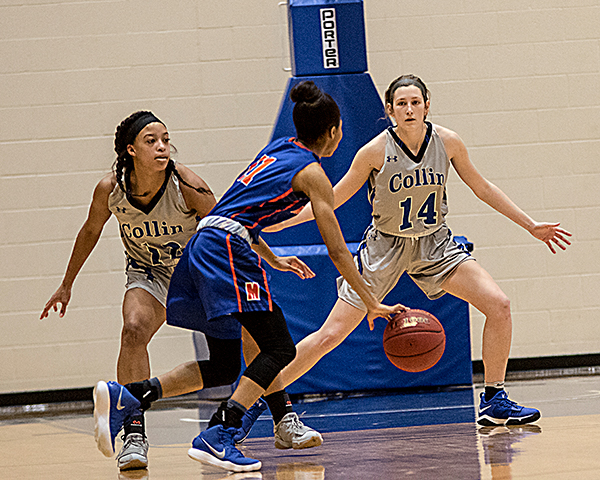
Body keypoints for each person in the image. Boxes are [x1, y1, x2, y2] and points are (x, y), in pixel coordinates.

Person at [93, 81, 404, 473]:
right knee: (279, 348)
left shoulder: (280, 149)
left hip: (207, 244)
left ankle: (130, 395)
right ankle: (221, 433)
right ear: (334, 131)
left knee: (225, 364)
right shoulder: (313, 173)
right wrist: (372, 302)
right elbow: (340, 251)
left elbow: (237, 209)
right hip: (226, 250)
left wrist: (272, 259)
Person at [258, 74, 572, 428]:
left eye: (415, 102)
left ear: (427, 105)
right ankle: (259, 396)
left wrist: (531, 225)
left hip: (434, 243)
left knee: (498, 304)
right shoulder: (374, 151)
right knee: (330, 335)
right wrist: (282, 222)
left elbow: (483, 187)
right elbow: (334, 198)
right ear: (389, 110)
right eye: (401, 104)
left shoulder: (449, 142)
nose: (409, 110)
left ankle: (494, 398)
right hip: (385, 248)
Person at [40, 111, 216, 470]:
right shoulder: (111, 188)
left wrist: (263, 264)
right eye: (152, 141)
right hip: (148, 273)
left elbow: (226, 226)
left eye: (165, 139)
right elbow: (90, 231)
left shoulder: (188, 185)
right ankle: (134, 432)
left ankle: (281, 415)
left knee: (241, 348)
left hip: (192, 276)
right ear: (131, 150)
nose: (162, 147)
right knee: (133, 329)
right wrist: (66, 284)